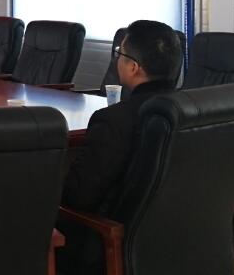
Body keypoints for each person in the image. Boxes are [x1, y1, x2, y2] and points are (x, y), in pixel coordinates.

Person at [57, 19, 183, 274]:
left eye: (119, 53)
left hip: (106, 247)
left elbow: (78, 197)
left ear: (134, 67)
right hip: (177, 239)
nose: (117, 59)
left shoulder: (115, 120)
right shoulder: (194, 109)